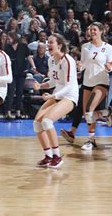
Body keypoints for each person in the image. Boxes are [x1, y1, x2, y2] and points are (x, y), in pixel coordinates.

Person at [32, 34, 78, 168]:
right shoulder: (51, 60)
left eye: (51, 42)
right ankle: (48, 156)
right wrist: (40, 86)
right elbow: (52, 81)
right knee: (37, 124)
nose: (48, 45)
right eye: (47, 43)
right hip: (57, 95)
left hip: (69, 96)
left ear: (59, 45)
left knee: (46, 121)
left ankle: (57, 156)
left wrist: (53, 96)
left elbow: (69, 85)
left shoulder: (68, 60)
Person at [78, 22, 112, 150]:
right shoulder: (85, 47)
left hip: (102, 81)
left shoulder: (108, 47)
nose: (92, 32)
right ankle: (91, 139)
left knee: (89, 109)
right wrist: (80, 67)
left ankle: (105, 114)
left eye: (94, 29)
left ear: (101, 31)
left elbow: (110, 65)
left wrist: (109, 68)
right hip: (87, 81)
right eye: (90, 30)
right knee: (87, 114)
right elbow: (83, 63)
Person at [4, 31, 37, 119]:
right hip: (11, 73)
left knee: (19, 93)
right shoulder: (7, 47)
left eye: (9, 38)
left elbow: (29, 56)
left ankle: (18, 112)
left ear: (14, 38)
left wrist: (33, 66)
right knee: (10, 92)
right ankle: (8, 112)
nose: (8, 40)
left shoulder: (23, 46)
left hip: (21, 72)